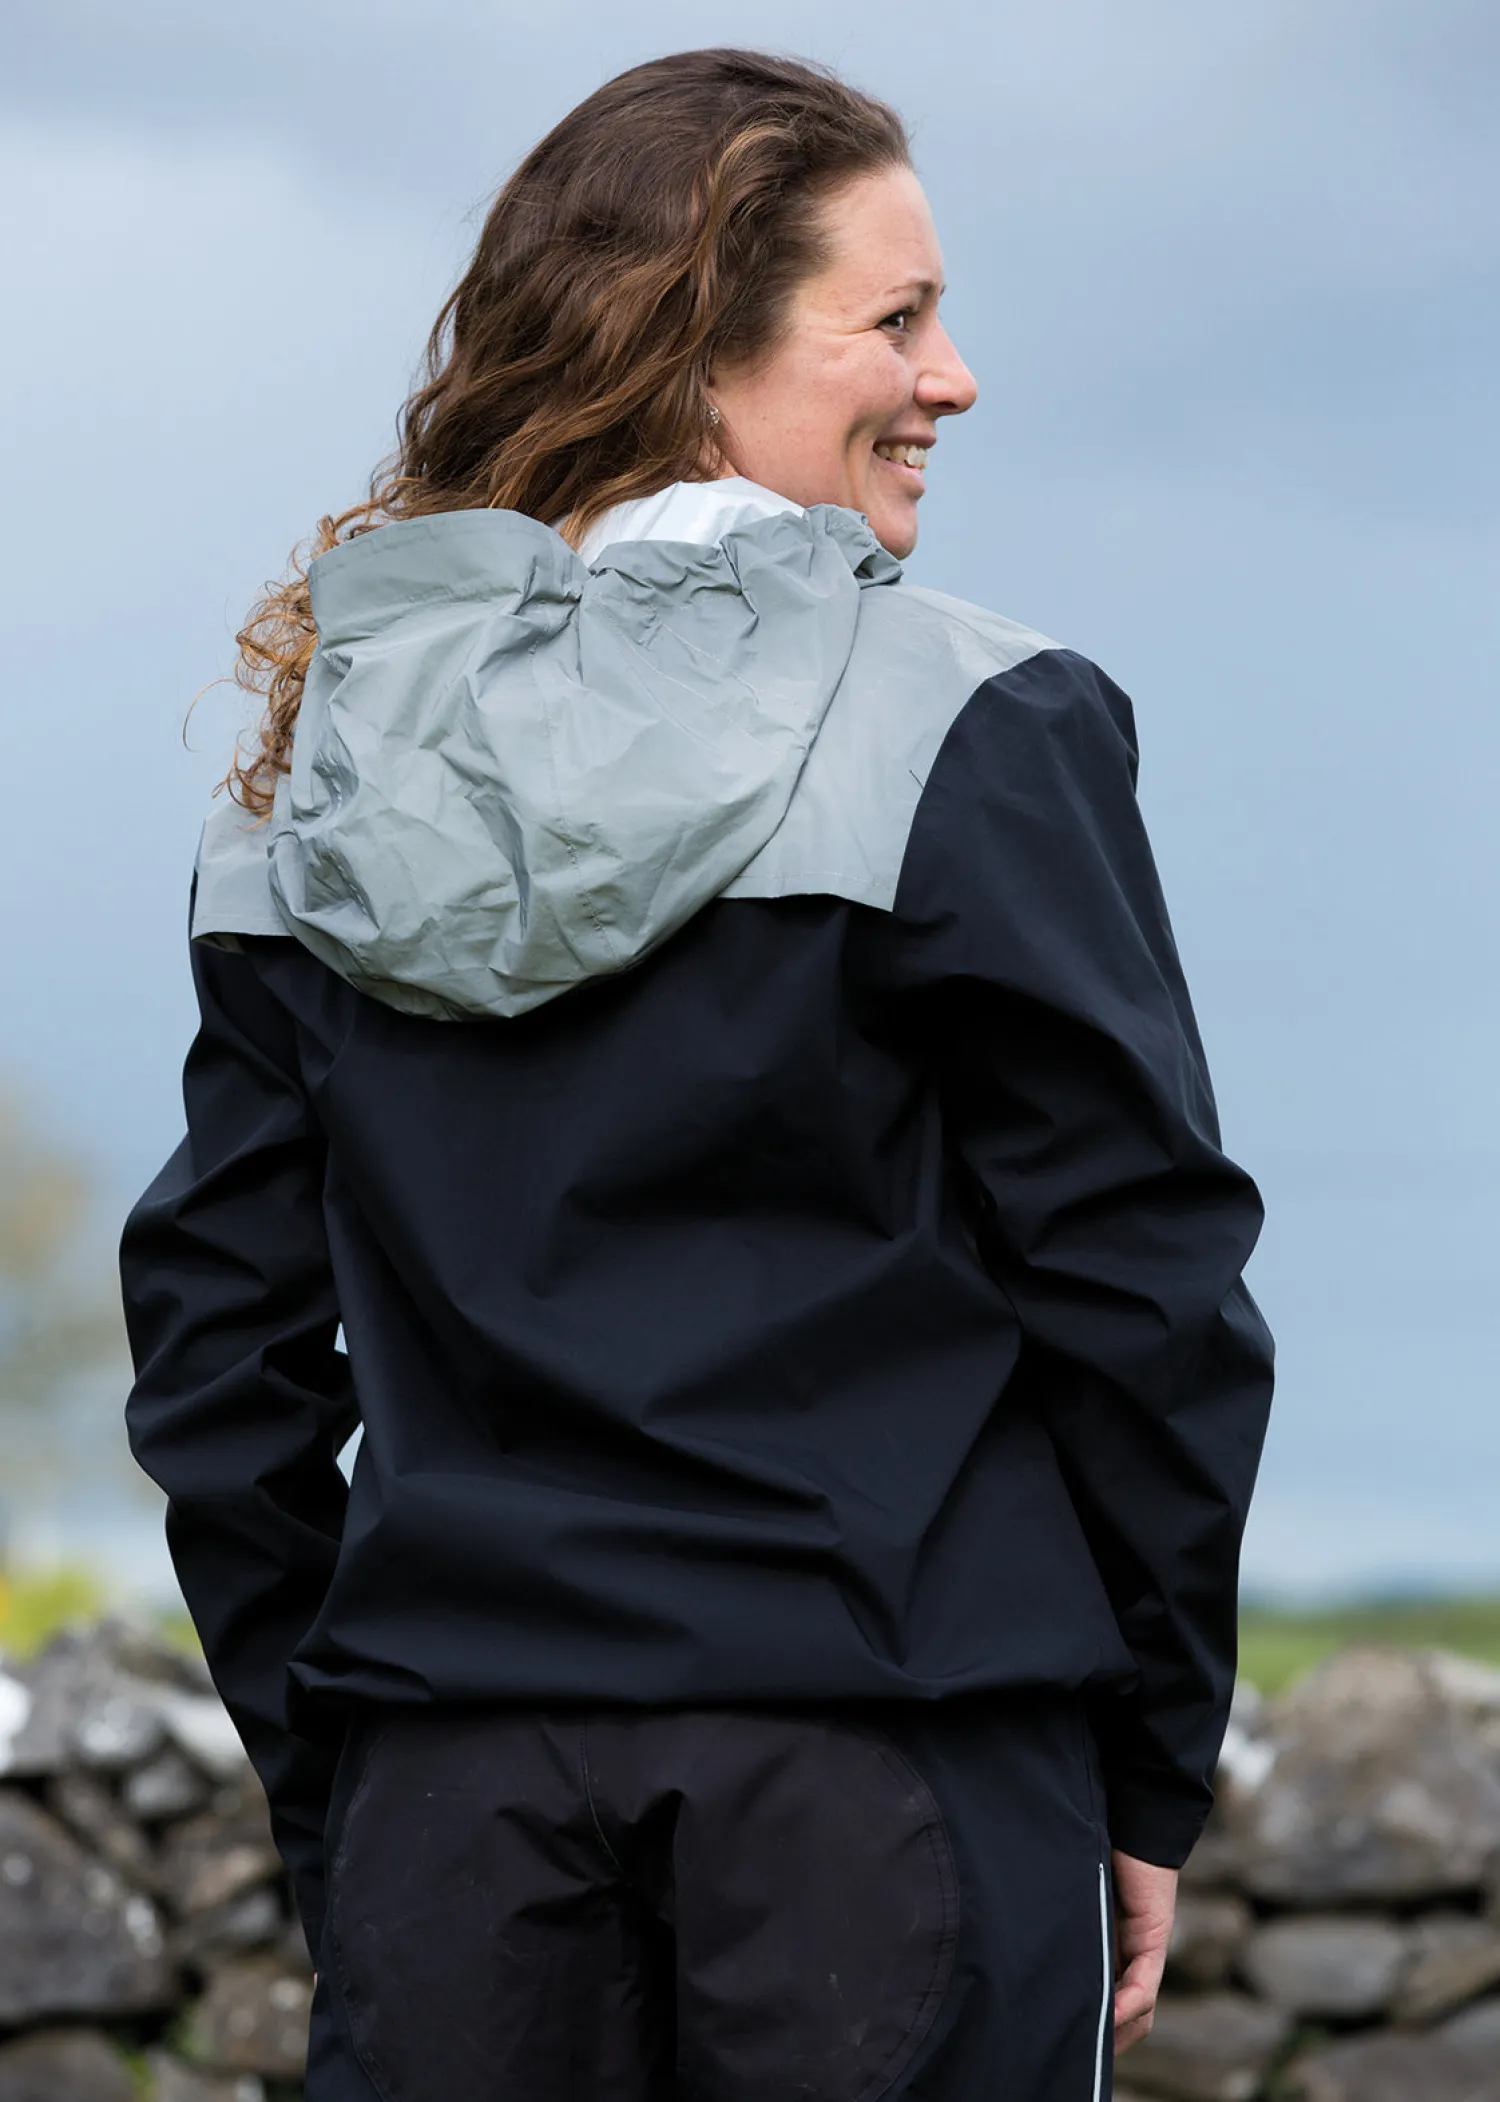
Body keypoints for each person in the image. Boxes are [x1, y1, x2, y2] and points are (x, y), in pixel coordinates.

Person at [121, 47, 1274, 2102]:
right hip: (894, 1780)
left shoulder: (320, 775)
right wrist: (1150, 1764)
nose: (953, 378)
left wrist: (355, 1777)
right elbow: (1145, 1296)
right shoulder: (977, 725)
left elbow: (221, 1358)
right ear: (699, 343)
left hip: (456, 1809)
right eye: (896, 320)